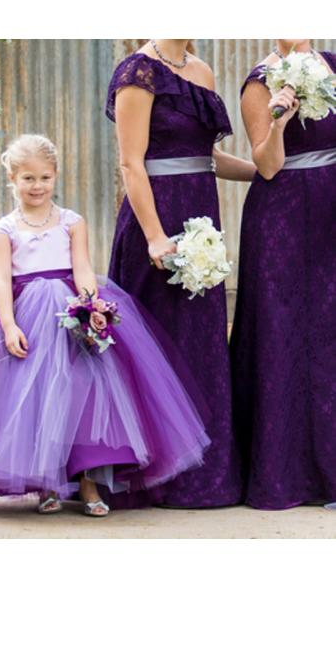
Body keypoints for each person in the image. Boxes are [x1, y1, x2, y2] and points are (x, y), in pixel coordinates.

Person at [0, 133, 212, 517]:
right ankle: (45, 486)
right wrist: (8, 325)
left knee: (82, 396)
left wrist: (92, 306)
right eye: (28, 178)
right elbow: (2, 279)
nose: (37, 186)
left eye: (45, 177)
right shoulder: (5, 229)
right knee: (31, 400)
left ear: (56, 176)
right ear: (12, 180)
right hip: (27, 320)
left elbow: (83, 268)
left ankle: (87, 484)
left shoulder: (71, 222)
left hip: (70, 316)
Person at [106, 39, 256, 509]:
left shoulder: (203, 72)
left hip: (199, 226)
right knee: (154, 347)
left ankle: (202, 479)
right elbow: (132, 163)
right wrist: (153, 236)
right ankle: (149, 477)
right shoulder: (138, 73)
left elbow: (207, 159)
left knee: (201, 344)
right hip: (156, 223)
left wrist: (269, 173)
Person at [230, 39, 336, 509]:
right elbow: (267, 164)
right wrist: (280, 119)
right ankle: (284, 475)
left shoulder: (332, 66)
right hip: (282, 216)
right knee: (282, 333)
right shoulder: (258, 81)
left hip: (331, 206)